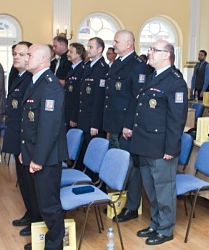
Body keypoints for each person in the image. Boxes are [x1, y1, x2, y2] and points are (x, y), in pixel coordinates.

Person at [131, 40, 188, 245]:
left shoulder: (175, 81)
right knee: (152, 190)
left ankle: (166, 229)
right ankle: (155, 223)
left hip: (161, 147)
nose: (150, 53)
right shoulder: (153, 76)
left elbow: (177, 119)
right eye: (150, 49)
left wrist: (171, 149)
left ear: (167, 55)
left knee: (164, 189)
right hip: (145, 144)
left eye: (154, 50)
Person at [20, 44, 67, 250]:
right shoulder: (34, 82)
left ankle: (54, 246)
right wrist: (25, 152)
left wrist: (38, 159)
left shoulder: (50, 85)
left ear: (42, 60)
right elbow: (29, 124)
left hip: (46, 157)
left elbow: (49, 128)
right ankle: (46, 241)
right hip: (33, 152)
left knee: (49, 206)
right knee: (40, 203)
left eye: (29, 55)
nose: (26, 58)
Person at [103, 29, 150, 223]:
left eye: (117, 41)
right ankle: (119, 200)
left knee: (131, 167)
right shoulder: (118, 63)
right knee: (120, 166)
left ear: (129, 44)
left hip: (126, 126)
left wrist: (129, 124)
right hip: (114, 123)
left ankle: (131, 205)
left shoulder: (138, 66)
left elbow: (137, 99)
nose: (114, 43)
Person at [1, 41, 39, 238]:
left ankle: (36, 217)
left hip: (26, 141)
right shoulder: (19, 76)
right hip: (17, 137)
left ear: (30, 57)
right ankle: (30, 212)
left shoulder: (30, 80)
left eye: (21, 54)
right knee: (23, 181)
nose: (16, 57)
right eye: (14, 53)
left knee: (30, 182)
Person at [76, 37, 108, 184]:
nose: (88, 50)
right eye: (88, 47)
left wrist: (95, 124)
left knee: (93, 155)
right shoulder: (88, 66)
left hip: (93, 122)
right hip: (84, 118)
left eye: (91, 47)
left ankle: (95, 183)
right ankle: (86, 179)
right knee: (85, 150)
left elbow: (99, 100)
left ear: (100, 49)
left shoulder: (102, 68)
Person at [64, 42, 86, 130]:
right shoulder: (72, 68)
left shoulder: (82, 70)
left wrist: (74, 117)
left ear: (79, 54)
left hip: (73, 113)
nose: (68, 54)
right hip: (67, 111)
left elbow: (78, 96)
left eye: (71, 51)